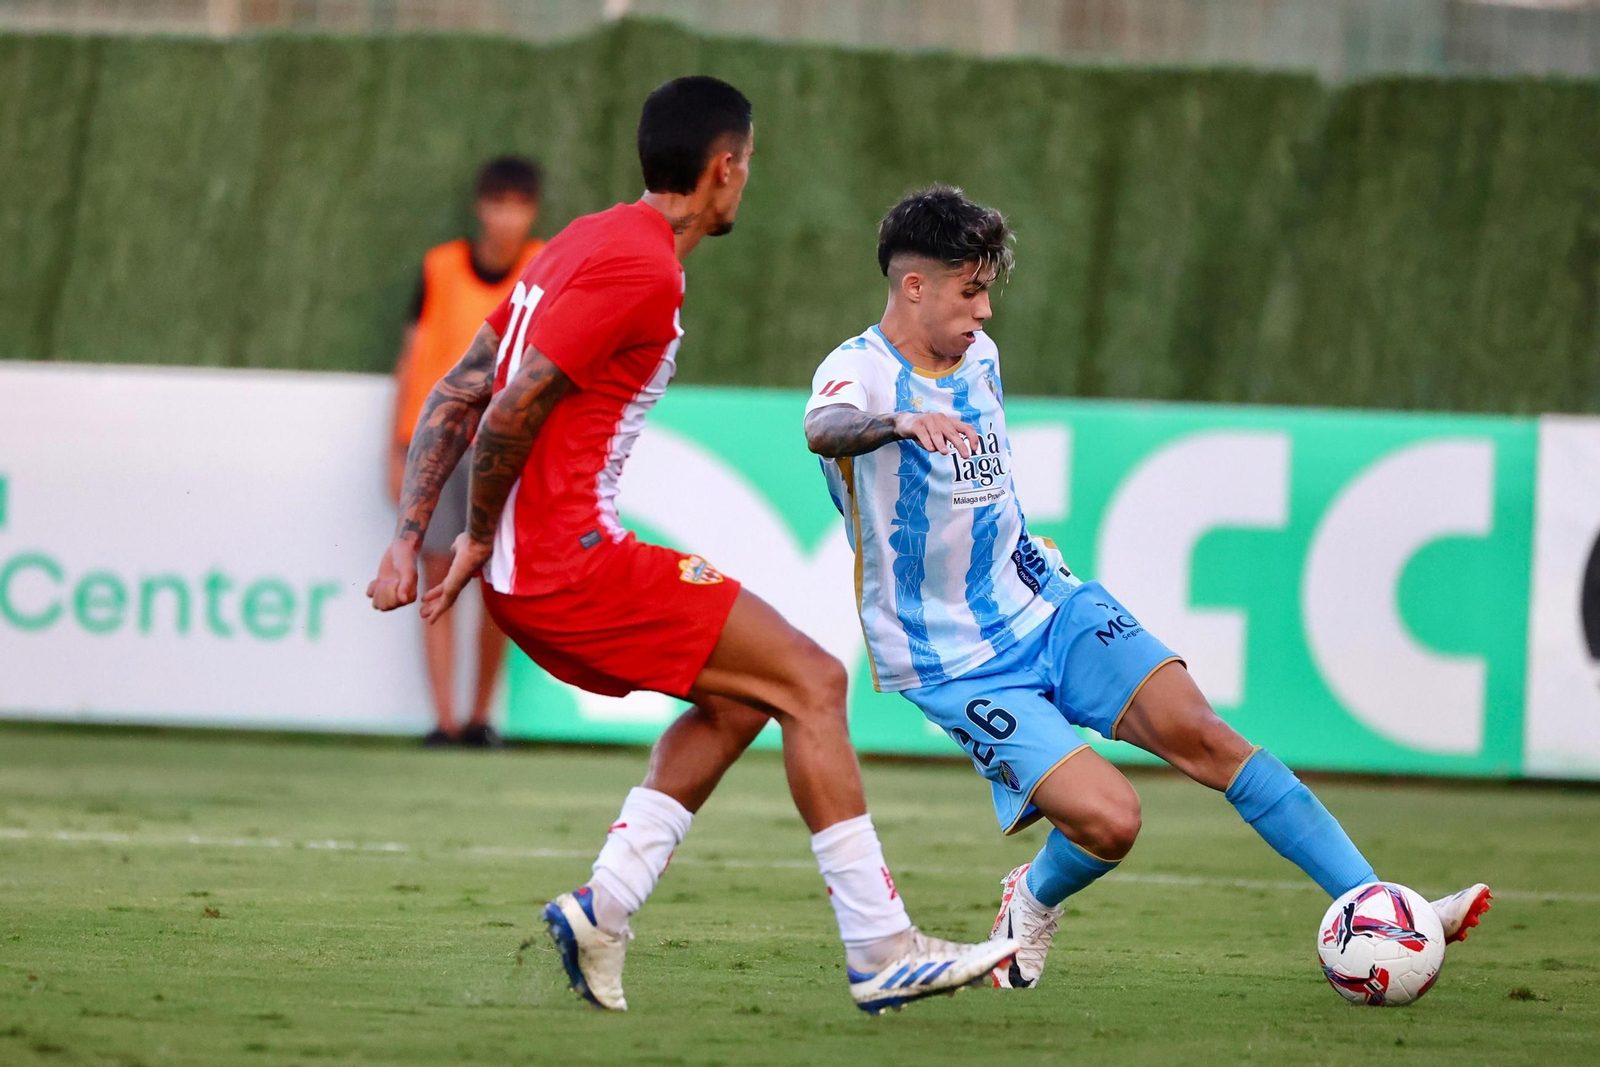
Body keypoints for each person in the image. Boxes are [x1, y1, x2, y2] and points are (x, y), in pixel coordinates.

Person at [367, 79, 1016, 1014]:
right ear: (724, 167)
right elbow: (506, 405)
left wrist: (410, 536)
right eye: (746, 162)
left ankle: (607, 903)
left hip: (541, 569)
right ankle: (881, 946)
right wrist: (469, 535)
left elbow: (457, 387)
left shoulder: (583, 241)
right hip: (569, 565)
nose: (746, 179)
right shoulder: (643, 269)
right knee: (812, 680)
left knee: (743, 694)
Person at [802, 184, 1492, 991]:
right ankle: (1030, 895)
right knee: (1111, 819)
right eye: (971, 289)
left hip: (1047, 601)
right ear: (913, 286)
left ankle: (1376, 901)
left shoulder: (980, 356)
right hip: (950, 656)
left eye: (989, 288)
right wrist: (899, 424)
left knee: (1206, 734)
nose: (986, 310)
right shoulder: (858, 373)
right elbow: (822, 426)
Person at [388, 156, 545, 747]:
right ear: (481, 207)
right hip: (440, 445)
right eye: (497, 203)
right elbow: (411, 359)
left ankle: (482, 717)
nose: (507, 217)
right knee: (434, 570)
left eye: (519, 204)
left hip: (507, 447)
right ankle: (444, 719)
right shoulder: (441, 268)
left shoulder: (543, 265)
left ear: (532, 210)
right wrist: (396, 448)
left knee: (494, 578)